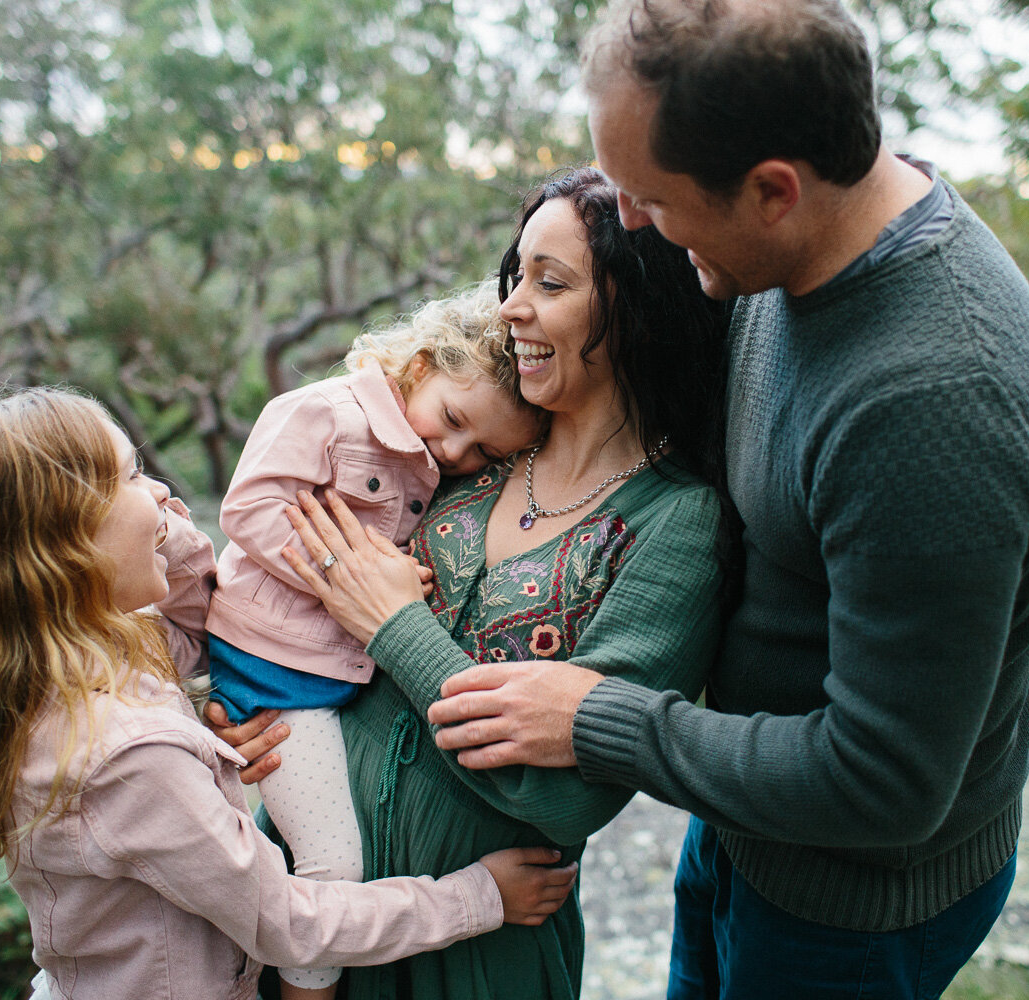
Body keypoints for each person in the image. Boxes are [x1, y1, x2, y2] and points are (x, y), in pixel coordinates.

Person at [424, 1, 1029, 998]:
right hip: (747, 819)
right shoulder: (780, 242)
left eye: (649, 198)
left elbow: (886, 781)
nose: (632, 225)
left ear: (774, 189)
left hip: (852, 905)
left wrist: (601, 718)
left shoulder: (931, 409)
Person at [0, 387, 576, 1000]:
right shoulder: (129, 751)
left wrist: (162, 533)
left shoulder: (85, 667)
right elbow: (286, 923)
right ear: (62, 544)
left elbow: (196, 609)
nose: (161, 492)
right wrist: (477, 897)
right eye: (129, 477)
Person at [246, 166, 734, 1000]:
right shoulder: (454, 455)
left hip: (479, 957)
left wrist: (395, 625)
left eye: (551, 283)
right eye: (519, 276)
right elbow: (289, 591)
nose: (511, 308)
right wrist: (238, 705)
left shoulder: (675, 522)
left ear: (640, 308)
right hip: (303, 910)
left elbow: (568, 793)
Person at [204, 284, 543, 998]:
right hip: (274, 675)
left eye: (483, 450)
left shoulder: (432, 464)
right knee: (331, 862)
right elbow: (248, 507)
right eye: (452, 419)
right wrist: (349, 569)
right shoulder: (323, 413)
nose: (453, 450)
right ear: (419, 365)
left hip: (319, 677)